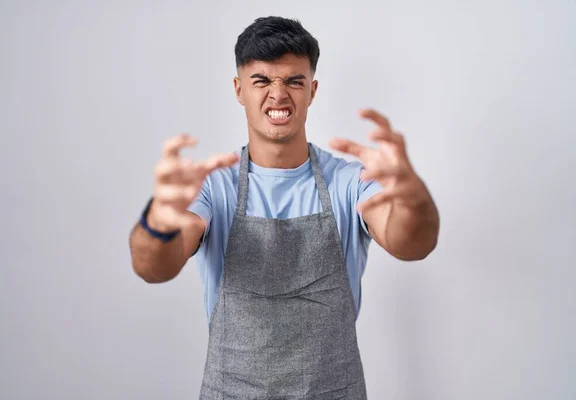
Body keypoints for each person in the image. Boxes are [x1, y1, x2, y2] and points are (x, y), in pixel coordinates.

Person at [128, 15, 439, 399]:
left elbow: (411, 242)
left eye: (294, 80)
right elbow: (154, 267)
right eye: (262, 81)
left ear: (312, 90)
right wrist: (157, 222)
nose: (278, 95)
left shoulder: (348, 182)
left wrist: (414, 198)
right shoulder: (214, 185)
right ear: (239, 89)